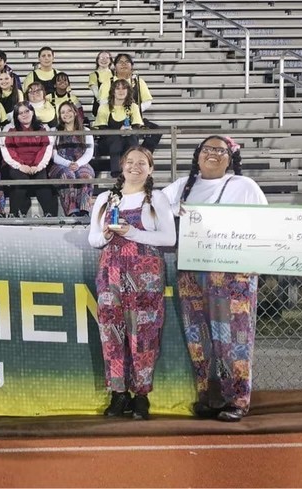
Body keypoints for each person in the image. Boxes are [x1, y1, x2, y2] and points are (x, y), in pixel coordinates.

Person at [162, 136, 268, 423]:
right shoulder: (183, 186)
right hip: (191, 273)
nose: (212, 154)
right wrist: (172, 211)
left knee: (234, 338)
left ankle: (238, 399)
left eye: (220, 150)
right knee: (199, 337)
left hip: (233, 276)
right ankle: (210, 396)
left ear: (230, 157)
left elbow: (266, 226)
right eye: (207, 149)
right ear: (197, 156)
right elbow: (155, 208)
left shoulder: (244, 187)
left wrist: (258, 263)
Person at [89, 146, 176, 420]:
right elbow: (92, 239)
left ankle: (141, 395)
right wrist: (105, 235)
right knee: (112, 334)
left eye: (142, 163)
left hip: (145, 276)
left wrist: (132, 232)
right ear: (122, 166)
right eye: (130, 162)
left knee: (144, 335)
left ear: (150, 169)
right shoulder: (106, 198)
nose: (135, 167)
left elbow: (168, 238)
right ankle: (118, 394)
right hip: (110, 273)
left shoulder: (157, 199)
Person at [0, 102, 57, 217]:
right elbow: (8, 151)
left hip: (37, 165)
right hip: (16, 165)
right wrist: (21, 166)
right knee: (21, 180)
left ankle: (49, 214)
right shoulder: (9, 129)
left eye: (27, 111)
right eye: (20, 113)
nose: (24, 115)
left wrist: (37, 166)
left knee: (42, 180)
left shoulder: (43, 128)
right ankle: (14, 213)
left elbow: (46, 148)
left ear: (32, 112)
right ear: (16, 116)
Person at [102, 53, 160, 152]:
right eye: (120, 62)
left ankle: (143, 154)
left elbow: (147, 101)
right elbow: (103, 102)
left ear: (132, 66)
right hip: (114, 120)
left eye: (127, 62)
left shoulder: (138, 81)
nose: (124, 64)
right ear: (115, 66)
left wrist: (134, 110)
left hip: (134, 118)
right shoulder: (108, 82)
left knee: (156, 130)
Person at [49, 102, 95, 217]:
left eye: (69, 111)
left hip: (81, 162)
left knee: (86, 175)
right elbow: (53, 154)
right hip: (60, 164)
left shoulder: (86, 131)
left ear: (75, 113)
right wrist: (68, 163)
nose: (66, 114)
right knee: (68, 175)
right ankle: (71, 211)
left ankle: (84, 210)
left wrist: (78, 164)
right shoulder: (54, 131)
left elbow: (89, 152)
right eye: (63, 112)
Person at [93, 79, 145, 178]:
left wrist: (130, 131)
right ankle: (116, 173)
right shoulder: (104, 107)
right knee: (116, 138)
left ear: (128, 91)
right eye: (118, 88)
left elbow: (137, 127)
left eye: (124, 88)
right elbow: (101, 130)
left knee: (132, 138)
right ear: (113, 91)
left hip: (127, 141)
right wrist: (118, 132)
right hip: (107, 143)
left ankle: (132, 171)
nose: (121, 91)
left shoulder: (133, 107)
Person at [88, 51, 114, 117]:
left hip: (114, 106)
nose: (104, 60)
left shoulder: (115, 73)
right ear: (97, 60)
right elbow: (96, 93)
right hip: (100, 106)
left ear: (110, 60)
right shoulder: (93, 75)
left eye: (107, 58)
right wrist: (104, 104)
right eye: (102, 58)